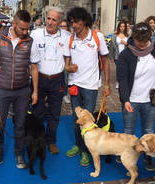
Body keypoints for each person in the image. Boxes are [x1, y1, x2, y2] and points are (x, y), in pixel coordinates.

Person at [0, 10, 39, 172]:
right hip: (1, 89)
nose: (25, 32)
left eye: (27, 29)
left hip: (23, 91)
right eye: (22, 28)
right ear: (14, 24)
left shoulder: (30, 41)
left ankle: (19, 153)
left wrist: (35, 91)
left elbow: (34, 68)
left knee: (20, 125)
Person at [65, 7, 111, 166]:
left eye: (76, 21)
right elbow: (66, 64)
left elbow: (106, 60)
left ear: (84, 21)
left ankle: (86, 150)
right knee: (75, 118)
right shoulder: (71, 39)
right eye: (71, 22)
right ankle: (79, 146)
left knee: (88, 119)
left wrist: (106, 84)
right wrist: (68, 68)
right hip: (74, 84)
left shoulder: (97, 37)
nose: (74, 25)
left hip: (91, 86)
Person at [117, 22, 155, 171]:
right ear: (133, 37)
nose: (141, 44)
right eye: (138, 40)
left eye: (144, 40)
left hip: (151, 101)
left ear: (150, 37)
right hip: (132, 100)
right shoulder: (126, 54)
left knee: (149, 131)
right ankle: (128, 157)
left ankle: (149, 158)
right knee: (129, 132)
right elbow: (122, 80)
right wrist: (125, 99)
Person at [30, 7, 71, 154]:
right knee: (37, 112)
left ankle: (51, 141)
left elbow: (70, 56)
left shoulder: (66, 35)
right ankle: (37, 140)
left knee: (54, 113)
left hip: (57, 80)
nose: (50, 22)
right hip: (39, 79)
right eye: (48, 18)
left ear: (60, 22)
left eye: (54, 19)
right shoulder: (35, 34)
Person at [109, 20, 128, 89]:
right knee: (119, 69)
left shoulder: (128, 35)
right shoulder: (115, 36)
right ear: (118, 27)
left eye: (123, 26)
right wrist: (111, 57)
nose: (122, 28)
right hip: (117, 55)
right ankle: (118, 82)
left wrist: (126, 43)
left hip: (126, 56)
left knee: (125, 69)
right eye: (121, 26)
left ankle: (124, 82)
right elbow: (111, 47)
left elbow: (131, 45)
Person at [59, 19, 71, 104]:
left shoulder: (70, 36)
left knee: (66, 79)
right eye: (61, 26)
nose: (63, 28)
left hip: (66, 61)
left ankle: (65, 95)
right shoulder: (56, 36)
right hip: (57, 61)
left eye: (64, 26)